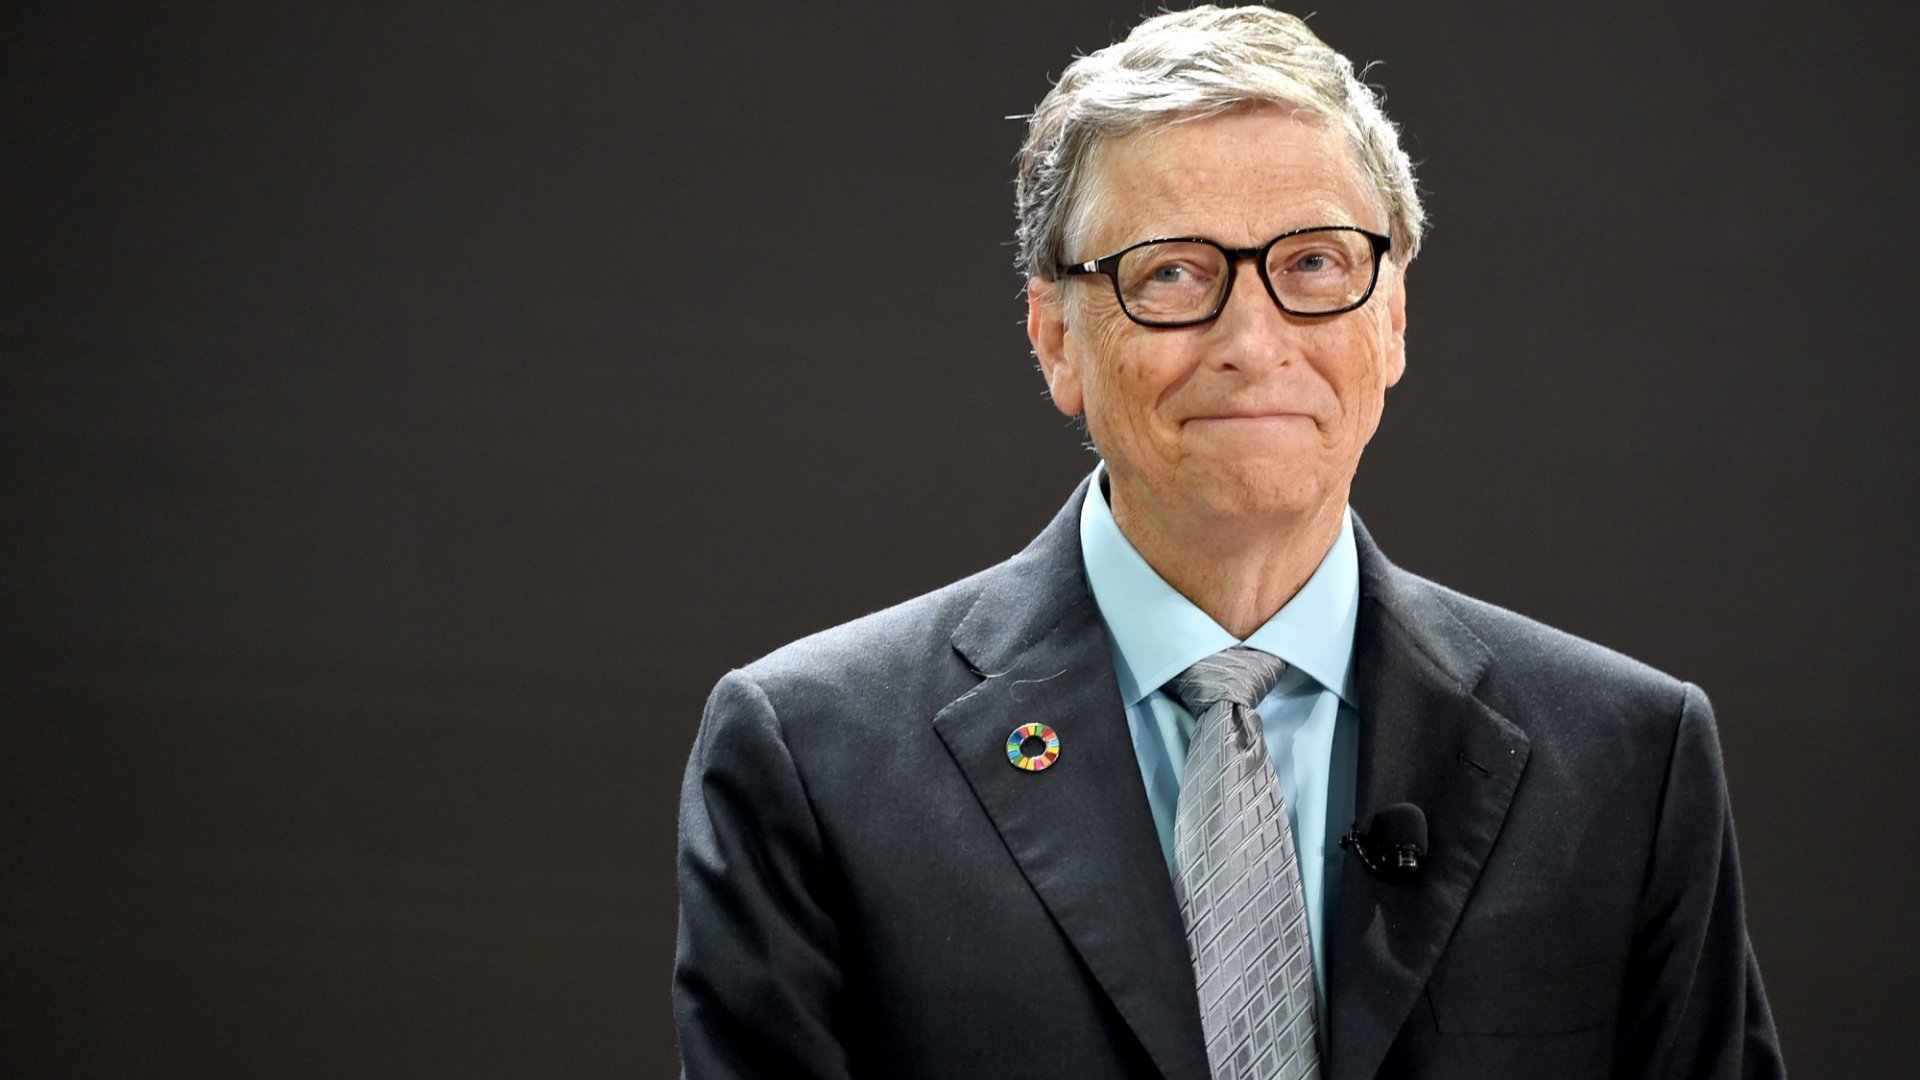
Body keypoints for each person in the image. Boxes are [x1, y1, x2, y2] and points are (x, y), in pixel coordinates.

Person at [673, 7, 1785, 1078]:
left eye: (1314, 264)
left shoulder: (1629, 763)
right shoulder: (814, 761)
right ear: (1056, 339)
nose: (1254, 341)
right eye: (1171, 272)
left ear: (1393, 319)